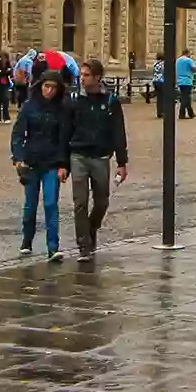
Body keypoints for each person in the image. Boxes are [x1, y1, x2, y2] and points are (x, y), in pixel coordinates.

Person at [61, 58, 128, 261]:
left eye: (86, 75)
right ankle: (84, 245)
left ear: (97, 77)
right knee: (79, 202)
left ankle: (91, 229)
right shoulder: (73, 100)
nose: (82, 78)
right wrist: (63, 163)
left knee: (102, 202)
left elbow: (118, 132)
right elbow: (65, 131)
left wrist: (122, 162)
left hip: (100, 157)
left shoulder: (110, 101)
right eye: (81, 74)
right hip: (78, 156)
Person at [11, 68, 68, 261]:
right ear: (40, 86)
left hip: (52, 162)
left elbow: (64, 139)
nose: (49, 91)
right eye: (46, 86)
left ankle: (53, 247)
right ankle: (27, 240)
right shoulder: (29, 106)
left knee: (51, 204)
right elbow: (18, 135)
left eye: (53, 87)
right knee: (30, 206)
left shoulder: (62, 110)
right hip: (32, 162)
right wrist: (18, 159)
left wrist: (63, 165)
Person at [175, 49, 196, 120]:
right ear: (187, 53)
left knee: (186, 97)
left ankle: (191, 113)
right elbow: (194, 68)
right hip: (187, 81)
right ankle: (181, 114)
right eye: (190, 54)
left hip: (179, 80)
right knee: (186, 98)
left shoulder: (178, 60)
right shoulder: (188, 60)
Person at [150, 52, 166, 117]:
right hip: (161, 81)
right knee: (163, 97)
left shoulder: (155, 63)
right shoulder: (164, 63)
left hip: (155, 80)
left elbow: (153, 72)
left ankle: (159, 112)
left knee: (159, 97)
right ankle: (162, 112)